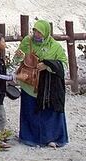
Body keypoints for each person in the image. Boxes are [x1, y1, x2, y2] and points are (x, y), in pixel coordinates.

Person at [14, 19, 68, 147]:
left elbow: (63, 65)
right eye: (35, 31)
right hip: (29, 84)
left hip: (48, 86)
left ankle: (52, 138)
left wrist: (48, 65)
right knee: (30, 111)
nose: (36, 35)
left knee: (50, 113)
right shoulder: (27, 41)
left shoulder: (55, 47)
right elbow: (17, 59)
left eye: (39, 32)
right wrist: (18, 56)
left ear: (46, 33)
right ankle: (29, 138)